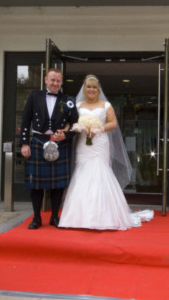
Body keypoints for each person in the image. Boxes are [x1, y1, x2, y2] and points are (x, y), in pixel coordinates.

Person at [58, 75, 153, 230]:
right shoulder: (77, 105)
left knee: (99, 173)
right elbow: (71, 122)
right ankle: (78, 217)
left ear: (98, 89)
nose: (91, 90)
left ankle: (104, 217)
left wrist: (99, 129)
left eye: (94, 87)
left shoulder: (106, 105)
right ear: (84, 88)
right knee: (82, 174)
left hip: (100, 143)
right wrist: (71, 129)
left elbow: (113, 123)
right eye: (88, 87)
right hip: (83, 144)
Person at [20, 68, 79, 229]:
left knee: (58, 184)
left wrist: (66, 136)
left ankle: (54, 217)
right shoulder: (35, 96)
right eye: (52, 80)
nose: (55, 83)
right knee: (36, 185)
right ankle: (37, 218)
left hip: (59, 144)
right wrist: (25, 143)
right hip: (38, 142)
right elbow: (25, 121)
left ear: (61, 82)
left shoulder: (67, 100)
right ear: (46, 79)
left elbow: (77, 124)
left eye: (58, 81)